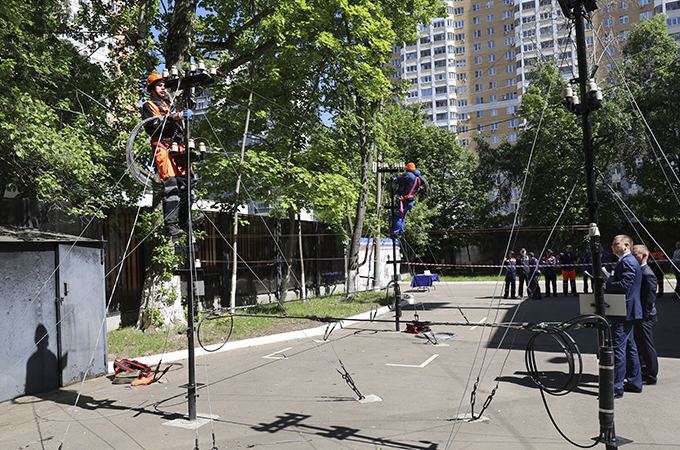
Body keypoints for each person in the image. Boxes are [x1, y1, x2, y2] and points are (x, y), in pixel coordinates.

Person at [141, 72, 195, 237]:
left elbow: (178, 123)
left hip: (176, 147)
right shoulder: (148, 105)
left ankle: (186, 220)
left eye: (164, 85)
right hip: (162, 146)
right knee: (171, 184)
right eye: (159, 86)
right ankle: (170, 225)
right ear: (152, 88)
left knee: (188, 182)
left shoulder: (169, 105)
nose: (163, 88)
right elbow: (154, 125)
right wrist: (174, 116)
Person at [606, 234, 643, 398]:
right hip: (628, 310)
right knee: (629, 347)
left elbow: (624, 286)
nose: (612, 247)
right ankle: (635, 382)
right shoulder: (626, 261)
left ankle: (617, 387)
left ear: (627, 245)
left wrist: (606, 283)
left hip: (623, 311)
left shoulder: (627, 261)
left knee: (619, 349)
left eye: (615, 244)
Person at [631, 244, 659, 385]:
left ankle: (651, 374)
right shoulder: (639, 271)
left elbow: (649, 299)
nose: (632, 257)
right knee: (639, 344)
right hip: (637, 315)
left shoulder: (648, 274)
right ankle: (643, 369)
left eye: (635, 254)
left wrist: (643, 316)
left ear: (644, 256)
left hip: (644, 317)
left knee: (646, 345)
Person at [391, 163, 428, 236]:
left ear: (408, 169)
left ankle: (395, 233)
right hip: (411, 200)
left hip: (405, 199)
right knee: (402, 215)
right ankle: (399, 232)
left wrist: (392, 178)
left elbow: (397, 180)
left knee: (398, 215)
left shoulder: (407, 175)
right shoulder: (418, 178)